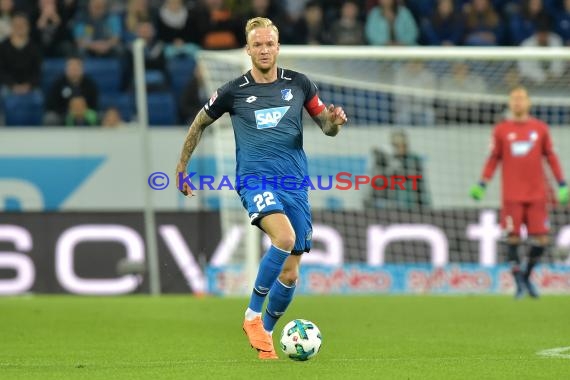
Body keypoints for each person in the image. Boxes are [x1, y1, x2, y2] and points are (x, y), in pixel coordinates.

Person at [175, 17, 347, 359]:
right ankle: (252, 315)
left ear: (278, 47)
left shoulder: (300, 84)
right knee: (283, 239)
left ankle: (266, 333)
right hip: (255, 179)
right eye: (258, 45)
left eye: (270, 44)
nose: (264, 50)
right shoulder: (233, 91)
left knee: (291, 269)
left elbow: (325, 126)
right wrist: (182, 167)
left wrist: (334, 121)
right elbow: (199, 123)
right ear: (248, 49)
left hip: (294, 183)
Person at [469, 86, 569, 299]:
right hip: (512, 196)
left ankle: (525, 276)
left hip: (537, 195)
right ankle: (520, 285)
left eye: (521, 98)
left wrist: (562, 183)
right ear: (509, 103)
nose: (517, 102)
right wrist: (482, 183)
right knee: (512, 239)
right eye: (514, 98)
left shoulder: (540, 128)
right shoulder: (501, 130)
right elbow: (493, 158)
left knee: (541, 240)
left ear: (529, 102)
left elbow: (550, 157)